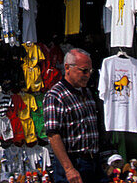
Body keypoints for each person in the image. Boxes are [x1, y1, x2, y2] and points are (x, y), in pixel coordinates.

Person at [44, 48, 101, 183]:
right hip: (73, 164)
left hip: (92, 163)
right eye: (84, 70)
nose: (87, 75)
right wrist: (69, 169)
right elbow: (53, 135)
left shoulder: (87, 92)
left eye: (90, 71)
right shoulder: (55, 96)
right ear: (67, 68)